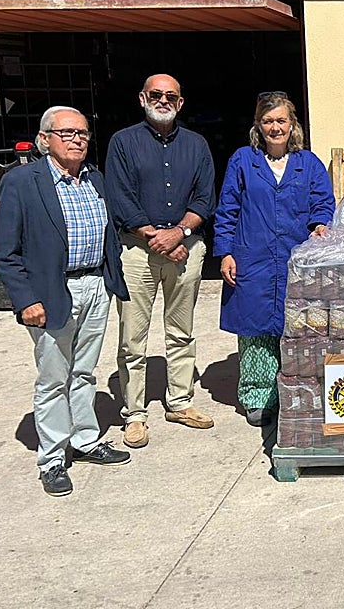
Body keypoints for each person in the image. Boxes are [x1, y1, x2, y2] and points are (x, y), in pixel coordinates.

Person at [0, 107, 132, 496]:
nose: (77, 139)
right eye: (67, 133)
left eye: (84, 133)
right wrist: (25, 300)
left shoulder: (95, 179)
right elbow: (7, 252)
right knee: (54, 377)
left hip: (94, 285)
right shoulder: (22, 182)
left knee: (84, 371)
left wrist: (109, 281)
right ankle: (52, 457)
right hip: (52, 292)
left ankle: (85, 439)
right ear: (45, 139)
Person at [106, 74, 216, 448]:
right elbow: (120, 199)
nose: (164, 100)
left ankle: (180, 401)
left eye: (171, 95)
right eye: (157, 94)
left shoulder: (197, 145)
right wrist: (159, 238)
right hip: (137, 251)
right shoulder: (123, 143)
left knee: (181, 331)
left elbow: (205, 199)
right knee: (132, 338)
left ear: (181, 102)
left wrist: (180, 234)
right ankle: (134, 414)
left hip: (185, 249)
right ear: (142, 98)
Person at [213, 93, 336, 426]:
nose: (275, 127)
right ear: (258, 125)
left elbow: (323, 203)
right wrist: (225, 251)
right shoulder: (243, 160)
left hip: (296, 257)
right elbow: (228, 208)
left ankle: (296, 394)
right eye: (268, 121)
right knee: (255, 330)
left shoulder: (308, 163)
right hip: (252, 255)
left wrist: (321, 224)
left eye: (281, 120)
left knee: (297, 327)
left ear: (291, 124)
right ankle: (257, 396)